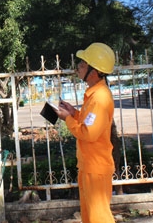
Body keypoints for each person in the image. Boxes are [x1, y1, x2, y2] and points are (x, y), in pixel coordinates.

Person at [55, 42, 116, 223]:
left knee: (99, 218)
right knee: (90, 217)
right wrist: (74, 113)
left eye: (83, 65)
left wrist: (67, 118)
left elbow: (89, 133)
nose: (78, 68)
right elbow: (90, 121)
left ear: (94, 72)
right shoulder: (94, 95)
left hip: (95, 167)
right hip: (90, 165)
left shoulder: (100, 98)